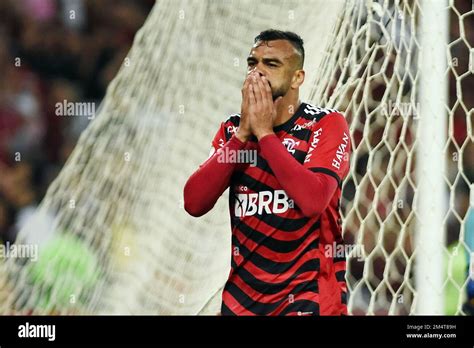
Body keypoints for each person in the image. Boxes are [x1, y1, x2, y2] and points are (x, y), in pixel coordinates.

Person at [184, 29, 351, 316]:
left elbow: (313, 200)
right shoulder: (232, 131)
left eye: (271, 64)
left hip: (310, 300)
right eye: (253, 63)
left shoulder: (325, 124)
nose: (257, 72)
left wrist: (264, 133)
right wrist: (243, 135)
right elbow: (194, 203)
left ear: (298, 77)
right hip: (242, 304)